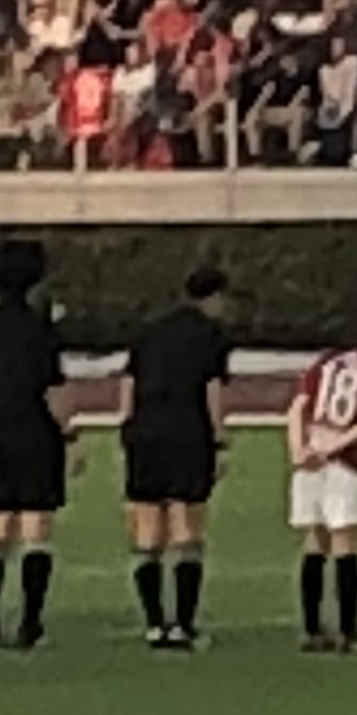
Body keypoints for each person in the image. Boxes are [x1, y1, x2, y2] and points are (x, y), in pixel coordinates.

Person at [120, 265, 234, 650]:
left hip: (145, 432)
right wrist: (219, 440)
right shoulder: (211, 335)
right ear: (214, 297)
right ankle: (183, 624)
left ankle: (154, 624)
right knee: (187, 526)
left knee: (147, 528)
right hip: (188, 433)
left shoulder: (149, 331)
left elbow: (128, 382)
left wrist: (128, 427)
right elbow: (212, 388)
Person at [0, 239, 70, 649]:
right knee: (35, 528)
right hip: (37, 434)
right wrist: (70, 433)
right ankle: (30, 622)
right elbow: (52, 387)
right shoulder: (39, 329)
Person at [285, 325, 357, 652]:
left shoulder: (325, 363)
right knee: (344, 542)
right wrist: (337, 447)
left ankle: (311, 628)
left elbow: (297, 408)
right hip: (343, 460)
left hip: (309, 456)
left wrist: (298, 450)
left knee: (314, 541)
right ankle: (348, 629)